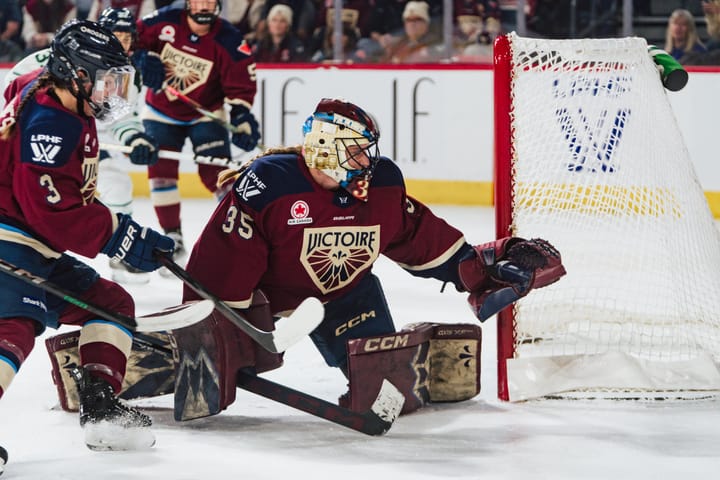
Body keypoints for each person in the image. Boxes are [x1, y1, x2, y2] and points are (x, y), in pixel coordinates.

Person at [173, 98, 565, 418]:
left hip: (346, 297)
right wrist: (210, 338)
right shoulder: (272, 183)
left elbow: (417, 237)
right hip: (267, 302)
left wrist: (483, 269)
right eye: (358, 152)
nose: (368, 162)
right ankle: (148, 355)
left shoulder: (381, 184)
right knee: (211, 375)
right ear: (327, 148)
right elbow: (222, 263)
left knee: (389, 391)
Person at [0, 19, 175, 451]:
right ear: (76, 75)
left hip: (31, 241)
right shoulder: (51, 126)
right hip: (11, 237)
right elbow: (55, 213)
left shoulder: (47, 89)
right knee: (16, 324)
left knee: (111, 304)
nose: (113, 93)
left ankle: (100, 407)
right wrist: (123, 237)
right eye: (106, 82)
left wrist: (122, 232)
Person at [2, 7, 161, 285]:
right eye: (117, 36)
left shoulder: (117, 71)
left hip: (87, 140)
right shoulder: (52, 116)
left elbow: (119, 119)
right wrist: (121, 238)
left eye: (127, 38)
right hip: (21, 217)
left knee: (116, 186)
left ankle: (120, 256)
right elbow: (55, 211)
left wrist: (135, 139)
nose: (122, 43)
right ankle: (122, 253)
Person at [134, 0, 261, 269]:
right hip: (160, 111)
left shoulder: (229, 39)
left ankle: (240, 228)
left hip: (205, 112)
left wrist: (242, 116)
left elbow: (241, 85)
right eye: (197, 1)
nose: (203, 8)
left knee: (215, 173)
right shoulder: (162, 22)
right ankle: (172, 236)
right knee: (161, 173)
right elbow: (129, 41)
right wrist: (141, 57)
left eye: (209, 2)